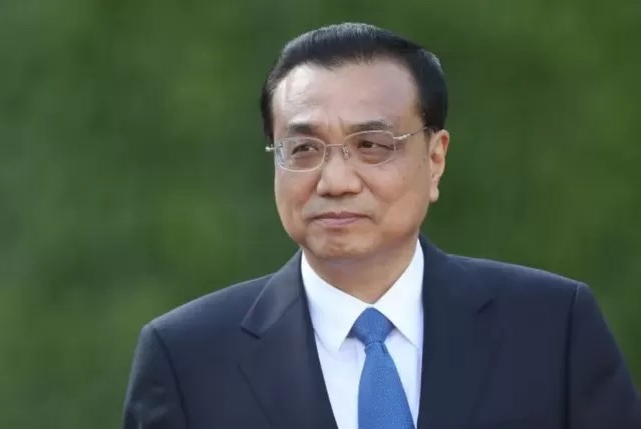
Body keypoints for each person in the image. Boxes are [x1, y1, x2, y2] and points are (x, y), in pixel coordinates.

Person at [122, 23, 641, 429]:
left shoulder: (551, 328)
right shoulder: (187, 359)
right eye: (302, 149)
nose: (336, 181)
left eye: (371, 146)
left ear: (435, 160)